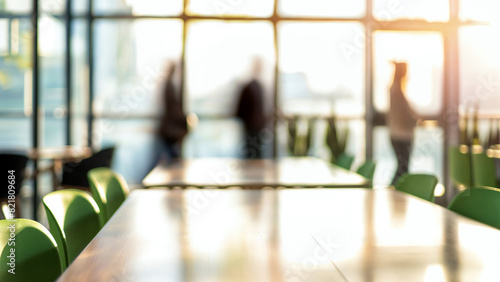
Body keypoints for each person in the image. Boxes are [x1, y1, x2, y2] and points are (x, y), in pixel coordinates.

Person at [387, 62, 419, 185]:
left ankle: (394, 190)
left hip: (397, 133)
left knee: (402, 166)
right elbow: (405, 113)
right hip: (401, 135)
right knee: (403, 168)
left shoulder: (395, 89)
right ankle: (394, 191)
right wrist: (416, 118)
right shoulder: (397, 91)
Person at [236, 59, 267, 159]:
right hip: (255, 128)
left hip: (252, 127)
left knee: (252, 154)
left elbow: (239, 110)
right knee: (255, 154)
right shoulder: (256, 87)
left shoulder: (252, 87)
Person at [157, 62, 188, 161]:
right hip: (170, 130)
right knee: (172, 157)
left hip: (168, 130)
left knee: (170, 155)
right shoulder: (170, 85)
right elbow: (173, 108)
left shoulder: (169, 84)